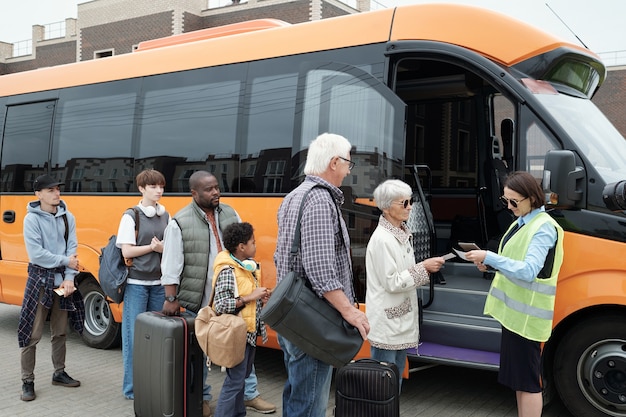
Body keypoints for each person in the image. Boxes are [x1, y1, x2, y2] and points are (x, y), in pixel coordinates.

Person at [161, 170, 275, 417]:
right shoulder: (179, 222)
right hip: (200, 301)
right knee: (203, 354)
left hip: (237, 302)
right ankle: (202, 398)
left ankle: (249, 395)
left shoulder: (230, 213)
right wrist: (171, 298)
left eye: (216, 187)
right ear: (194, 193)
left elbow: (243, 243)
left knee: (243, 353)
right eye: (209, 189)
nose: (216, 192)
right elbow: (171, 264)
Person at [274, 132, 369, 417]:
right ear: (333, 162)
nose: (348, 171)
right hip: (313, 321)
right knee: (310, 405)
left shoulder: (295, 196)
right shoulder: (319, 200)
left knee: (297, 394)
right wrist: (350, 312)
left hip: (295, 315)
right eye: (348, 164)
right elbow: (320, 270)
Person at [464, 171, 564, 417]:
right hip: (516, 317)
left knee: (528, 383)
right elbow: (516, 260)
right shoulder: (524, 222)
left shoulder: (543, 228)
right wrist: (492, 264)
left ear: (532, 198)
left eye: (513, 202)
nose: (508, 207)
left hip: (526, 319)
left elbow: (529, 270)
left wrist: (490, 257)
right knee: (521, 381)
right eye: (505, 201)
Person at [365, 179, 445, 387]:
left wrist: (422, 267)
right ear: (385, 207)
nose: (410, 207)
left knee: (394, 380)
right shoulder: (383, 239)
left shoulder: (399, 233)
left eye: (411, 201)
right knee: (384, 385)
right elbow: (393, 282)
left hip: (397, 321)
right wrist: (424, 267)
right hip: (388, 324)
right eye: (404, 203)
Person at [18, 174, 84, 401]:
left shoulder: (68, 217)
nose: (56, 193)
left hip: (62, 283)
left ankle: (59, 372)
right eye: (50, 190)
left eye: (57, 188)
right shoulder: (31, 219)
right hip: (40, 280)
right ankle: (27, 381)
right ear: (38, 194)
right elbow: (37, 255)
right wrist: (67, 263)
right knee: (32, 334)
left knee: (61, 330)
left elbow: (72, 249)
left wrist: (69, 278)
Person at [116, 169, 169, 400]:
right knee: (133, 337)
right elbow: (126, 250)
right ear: (141, 189)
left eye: (161, 186)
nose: (158, 191)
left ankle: (152, 384)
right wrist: (152, 247)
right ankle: (132, 389)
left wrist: (162, 248)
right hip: (137, 284)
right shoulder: (132, 215)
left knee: (157, 337)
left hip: (159, 283)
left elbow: (171, 248)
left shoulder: (165, 215)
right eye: (153, 187)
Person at [213, 222, 271, 417]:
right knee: (235, 380)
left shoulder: (247, 268)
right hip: (237, 334)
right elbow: (220, 305)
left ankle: (239, 413)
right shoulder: (229, 271)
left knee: (241, 378)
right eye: (252, 242)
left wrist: (259, 297)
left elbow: (247, 296)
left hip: (248, 332)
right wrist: (249, 297)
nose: (256, 246)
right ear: (241, 247)